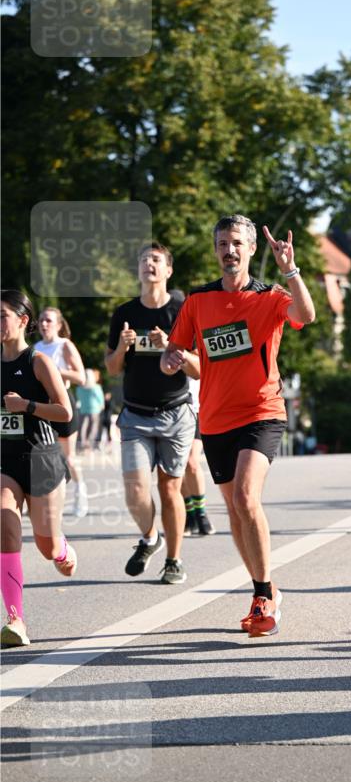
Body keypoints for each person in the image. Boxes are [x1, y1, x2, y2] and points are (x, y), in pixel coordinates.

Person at [163, 215, 316, 637]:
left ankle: (263, 595)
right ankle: (265, 587)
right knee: (234, 509)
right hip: (215, 419)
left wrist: (291, 269)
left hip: (261, 412)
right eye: (221, 243)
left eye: (235, 243)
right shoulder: (198, 301)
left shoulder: (270, 296)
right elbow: (183, 355)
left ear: (251, 249)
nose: (228, 250)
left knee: (247, 497)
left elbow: (307, 314)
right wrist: (171, 359)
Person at [105, 242, 198, 584]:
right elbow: (113, 368)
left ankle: (174, 560)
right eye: (144, 260)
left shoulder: (183, 309)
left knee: (170, 489)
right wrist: (122, 347)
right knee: (135, 490)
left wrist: (170, 345)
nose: (149, 264)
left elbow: (199, 369)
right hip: (135, 415)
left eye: (156, 260)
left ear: (168, 270)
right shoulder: (124, 312)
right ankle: (150, 537)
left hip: (175, 414)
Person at [1, 291, 77, 647]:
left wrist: (26, 406)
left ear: (22, 320)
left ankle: (61, 547)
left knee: (46, 545)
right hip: (6, 460)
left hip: (42, 457)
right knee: (5, 524)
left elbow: (65, 413)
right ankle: (15, 620)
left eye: (2, 315)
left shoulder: (37, 361)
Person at [34, 307, 88, 516]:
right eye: (41, 321)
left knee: (68, 458)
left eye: (48, 321)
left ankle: (80, 492)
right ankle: (45, 502)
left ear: (58, 324)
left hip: (63, 404)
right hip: (42, 406)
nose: (44, 324)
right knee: (43, 456)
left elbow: (81, 377)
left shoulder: (64, 346)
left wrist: (54, 370)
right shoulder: (35, 348)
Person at [182, 377, 215, 536]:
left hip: (196, 407)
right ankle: (190, 513)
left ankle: (201, 513)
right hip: (171, 408)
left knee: (191, 462)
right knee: (178, 466)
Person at [77, 368, 104, 451]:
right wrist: (102, 405)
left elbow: (79, 397)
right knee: (93, 428)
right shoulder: (96, 387)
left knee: (82, 427)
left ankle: (81, 444)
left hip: (83, 409)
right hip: (94, 410)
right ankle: (88, 443)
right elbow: (100, 399)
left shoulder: (79, 388)